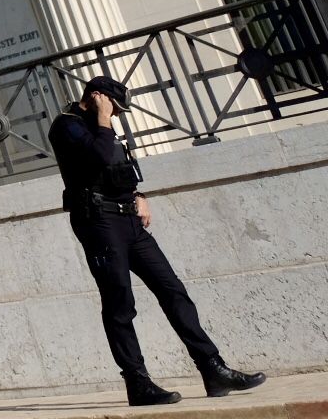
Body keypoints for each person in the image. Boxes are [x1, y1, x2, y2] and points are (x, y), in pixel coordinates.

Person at [49, 76, 265, 405]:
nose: (117, 115)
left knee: (172, 289)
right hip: (98, 222)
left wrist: (139, 195)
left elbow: (118, 168)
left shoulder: (101, 124)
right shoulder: (67, 126)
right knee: (120, 302)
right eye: (114, 107)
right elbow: (97, 159)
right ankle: (138, 383)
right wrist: (104, 119)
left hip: (129, 221)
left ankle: (213, 368)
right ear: (96, 97)